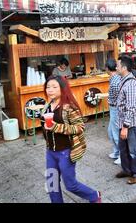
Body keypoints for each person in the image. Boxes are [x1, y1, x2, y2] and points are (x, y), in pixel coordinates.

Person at [42, 75, 101, 203]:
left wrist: (56, 127)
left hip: (66, 152)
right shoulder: (47, 105)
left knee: (70, 185)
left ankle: (94, 196)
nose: (50, 90)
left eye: (54, 87)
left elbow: (80, 127)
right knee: (52, 183)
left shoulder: (69, 107)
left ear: (62, 89)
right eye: (48, 87)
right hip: (50, 152)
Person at [115, 55, 136, 184]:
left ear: (124, 67)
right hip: (123, 122)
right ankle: (127, 170)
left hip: (131, 123)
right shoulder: (123, 79)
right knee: (124, 149)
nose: (116, 67)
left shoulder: (131, 83)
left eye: (118, 65)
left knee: (134, 150)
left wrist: (125, 127)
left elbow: (132, 107)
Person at [106, 58, 122, 165]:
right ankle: (116, 152)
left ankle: (122, 155)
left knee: (115, 133)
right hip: (113, 108)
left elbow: (119, 97)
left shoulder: (115, 80)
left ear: (107, 68)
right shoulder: (114, 78)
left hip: (116, 109)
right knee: (111, 132)